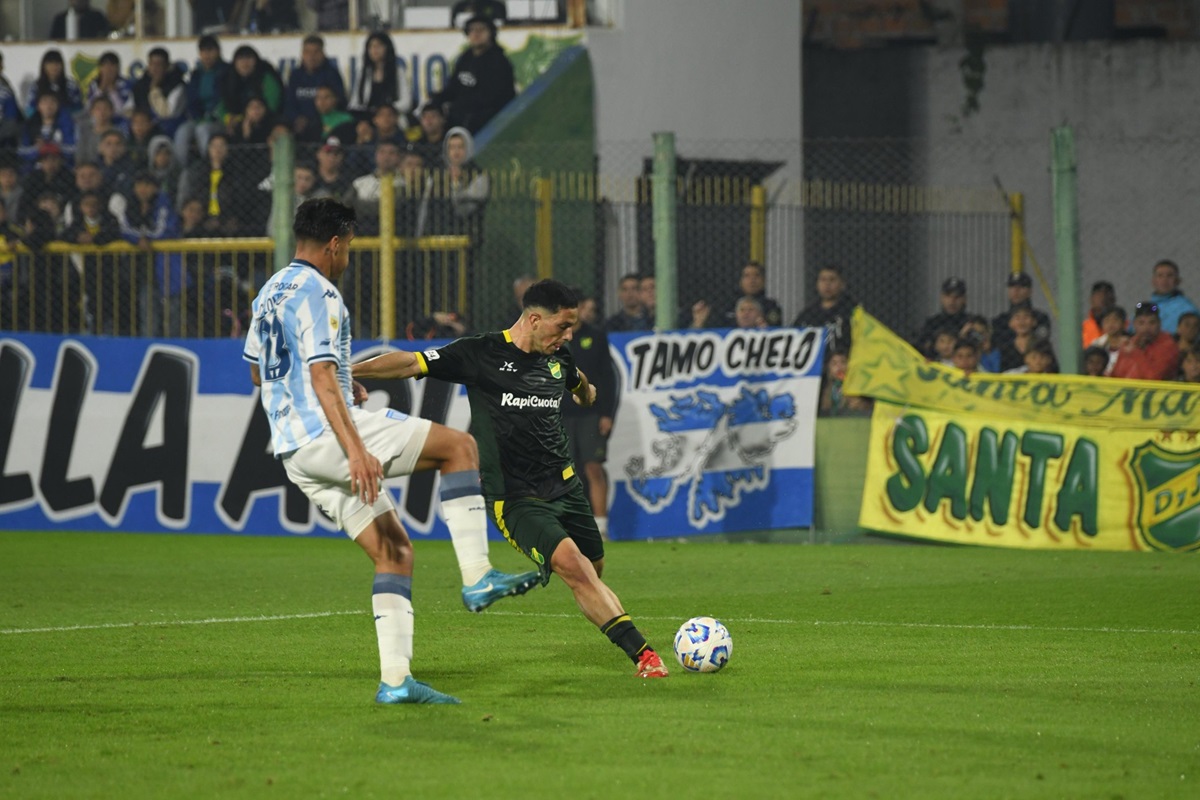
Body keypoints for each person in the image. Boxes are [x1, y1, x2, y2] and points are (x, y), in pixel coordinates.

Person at [243, 198, 540, 704]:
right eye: (351, 246)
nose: (348, 256)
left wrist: (342, 379)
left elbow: (258, 371)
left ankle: (396, 681)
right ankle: (477, 576)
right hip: (327, 436)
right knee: (458, 447)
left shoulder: (270, 292)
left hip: (295, 454)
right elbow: (318, 375)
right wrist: (355, 448)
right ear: (336, 243)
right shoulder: (321, 292)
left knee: (394, 551)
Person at [353, 279, 671, 679]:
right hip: (516, 498)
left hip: (567, 489)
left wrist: (586, 394)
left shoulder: (560, 358)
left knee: (594, 567)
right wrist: (347, 372)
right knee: (576, 568)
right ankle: (645, 656)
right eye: (562, 327)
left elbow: (581, 386)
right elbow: (409, 362)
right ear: (535, 320)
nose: (568, 335)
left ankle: (562, 570)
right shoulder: (481, 352)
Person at [562, 291, 616, 541]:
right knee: (566, 472)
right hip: (560, 414)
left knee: (593, 467)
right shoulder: (554, 338)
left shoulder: (595, 337)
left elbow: (607, 377)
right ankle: (570, 526)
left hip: (590, 414)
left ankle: (601, 527)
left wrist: (606, 413)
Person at [428, 14, 516, 134]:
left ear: (491, 33)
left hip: (487, 121)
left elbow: (495, 98)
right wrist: (437, 99)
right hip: (461, 117)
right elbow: (454, 87)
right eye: (472, 30)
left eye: (481, 30)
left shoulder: (499, 62)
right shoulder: (465, 59)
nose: (476, 34)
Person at [176, 35, 229, 164]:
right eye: (204, 51)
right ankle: (181, 167)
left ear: (218, 51)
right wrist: (197, 116)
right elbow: (192, 100)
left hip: (219, 119)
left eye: (210, 51)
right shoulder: (196, 74)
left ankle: (208, 165)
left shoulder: (227, 71)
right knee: (182, 132)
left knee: (202, 130)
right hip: (199, 118)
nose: (207, 55)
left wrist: (213, 116)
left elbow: (226, 99)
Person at [284, 35, 347, 143]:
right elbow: (289, 102)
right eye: (307, 52)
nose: (311, 56)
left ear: (323, 54)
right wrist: (295, 118)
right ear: (302, 54)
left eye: (316, 52)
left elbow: (339, 102)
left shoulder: (331, 75)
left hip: (324, 125)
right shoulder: (295, 76)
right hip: (298, 125)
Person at [348, 32, 412, 122]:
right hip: (367, 118)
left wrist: (386, 110)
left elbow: (406, 102)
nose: (374, 50)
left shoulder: (398, 72)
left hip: (391, 118)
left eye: (378, 46)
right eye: (371, 46)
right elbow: (354, 102)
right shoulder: (363, 73)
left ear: (387, 48)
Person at [793, 264, 857, 352]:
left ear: (842, 284)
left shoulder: (851, 312)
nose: (827, 284)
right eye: (823, 280)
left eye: (832, 279)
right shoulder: (808, 315)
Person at [1111, 301, 1181, 381]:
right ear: (1134, 324)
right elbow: (1116, 374)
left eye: (1152, 323)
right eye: (1141, 323)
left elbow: (1154, 378)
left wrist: (1135, 353)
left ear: (1159, 324)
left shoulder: (1168, 345)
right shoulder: (1130, 343)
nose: (1146, 328)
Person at [131, 47, 188, 138]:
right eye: (152, 64)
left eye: (159, 65)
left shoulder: (177, 86)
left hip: (172, 125)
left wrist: (154, 89)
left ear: (167, 66)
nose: (155, 68)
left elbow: (167, 113)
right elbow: (130, 108)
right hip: (145, 124)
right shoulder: (141, 85)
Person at [991, 272, 1050, 349]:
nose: (1016, 290)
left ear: (1030, 291)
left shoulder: (1040, 318)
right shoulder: (1000, 321)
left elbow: (1040, 342)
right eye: (1012, 286)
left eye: (1021, 286)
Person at [916, 277, 970, 358]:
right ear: (942, 297)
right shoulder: (932, 324)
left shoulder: (971, 323)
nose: (952, 301)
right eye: (948, 296)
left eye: (957, 297)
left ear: (964, 299)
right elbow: (920, 348)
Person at [24, 50, 82, 118]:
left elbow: (79, 109)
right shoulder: (36, 86)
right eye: (50, 63)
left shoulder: (71, 86)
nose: (54, 67)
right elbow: (29, 110)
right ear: (44, 66)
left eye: (57, 63)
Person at [1149, 259, 1200, 335]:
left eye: (1169, 276)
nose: (1164, 280)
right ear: (1153, 281)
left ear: (1177, 281)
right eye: (1160, 276)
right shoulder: (1146, 308)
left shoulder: (1187, 309)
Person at [84, 52, 134, 123]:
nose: (108, 69)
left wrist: (113, 91)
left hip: (120, 122)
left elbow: (127, 110)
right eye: (105, 66)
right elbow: (89, 108)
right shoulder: (94, 84)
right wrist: (101, 89)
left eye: (112, 65)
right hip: (98, 122)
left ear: (117, 68)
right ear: (100, 68)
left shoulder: (126, 84)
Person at [1081, 280, 1115, 348]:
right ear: (1091, 299)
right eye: (1099, 294)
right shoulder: (1082, 328)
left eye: (1107, 294)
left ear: (1113, 300)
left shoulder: (1123, 325)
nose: (1103, 298)